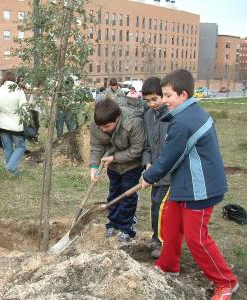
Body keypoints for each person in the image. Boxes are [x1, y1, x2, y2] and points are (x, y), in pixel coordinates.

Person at [141, 69, 238, 300]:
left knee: (197, 239)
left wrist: (148, 176)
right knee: (171, 223)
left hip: (200, 188)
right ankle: (168, 265)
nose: (164, 101)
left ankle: (226, 282)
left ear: (183, 95)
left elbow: (169, 157)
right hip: (185, 184)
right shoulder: (190, 113)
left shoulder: (184, 121)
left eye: (167, 96)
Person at [90, 99, 145, 242]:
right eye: (100, 126)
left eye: (107, 126)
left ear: (117, 118)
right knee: (114, 194)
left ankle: (127, 228)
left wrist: (114, 158)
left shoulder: (133, 122)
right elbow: (97, 146)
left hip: (132, 165)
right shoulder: (98, 123)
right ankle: (113, 224)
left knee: (127, 195)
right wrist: (94, 167)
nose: (103, 129)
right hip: (113, 166)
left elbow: (137, 150)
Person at [141, 77, 170, 258]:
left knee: (162, 206)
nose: (151, 104)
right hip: (154, 172)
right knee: (154, 204)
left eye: (155, 99)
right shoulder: (147, 116)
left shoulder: (171, 116)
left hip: (169, 173)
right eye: (148, 101)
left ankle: (163, 243)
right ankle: (155, 236)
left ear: (163, 96)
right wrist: (148, 163)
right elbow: (147, 145)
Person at [0, 70, 27, 176]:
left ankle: (12, 173)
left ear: (4, 79)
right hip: (16, 125)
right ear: (14, 79)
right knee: (21, 147)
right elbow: (24, 108)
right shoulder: (19, 90)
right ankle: (11, 167)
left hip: (2, 124)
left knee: (7, 148)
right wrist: (28, 121)